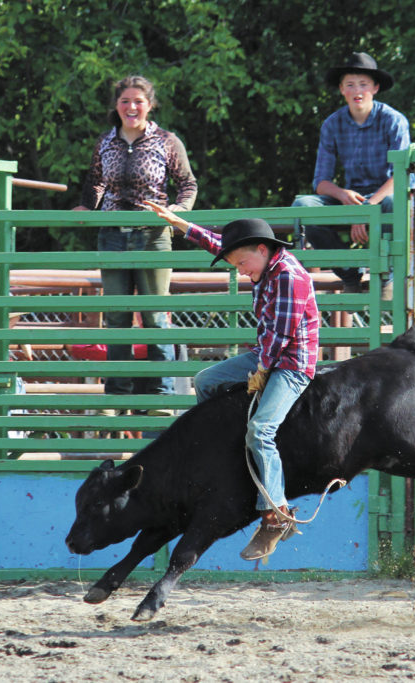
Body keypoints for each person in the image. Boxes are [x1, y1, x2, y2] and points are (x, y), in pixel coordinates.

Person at [143, 200, 319, 561]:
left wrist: (261, 371)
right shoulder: (262, 265)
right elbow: (217, 242)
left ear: (262, 249)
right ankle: (221, 454)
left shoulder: (289, 277)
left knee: (261, 430)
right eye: (235, 265)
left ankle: (276, 514)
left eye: (241, 264)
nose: (239, 271)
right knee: (206, 381)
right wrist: (180, 223)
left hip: (292, 363)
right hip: (267, 354)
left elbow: (282, 335)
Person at [74, 75, 197, 410]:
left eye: (138, 101)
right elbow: (95, 182)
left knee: (155, 315)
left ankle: (162, 394)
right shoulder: (105, 142)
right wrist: (87, 206)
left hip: (152, 234)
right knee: (116, 317)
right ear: (117, 105)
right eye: (125, 101)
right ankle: (117, 394)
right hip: (112, 233)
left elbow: (187, 185)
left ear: (150, 105)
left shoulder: (167, 141)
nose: (131, 107)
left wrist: (176, 212)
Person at [292, 52, 411, 296]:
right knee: (303, 204)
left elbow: (402, 175)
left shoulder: (393, 120)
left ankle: (386, 275)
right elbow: (320, 182)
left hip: (385, 198)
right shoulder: (332, 124)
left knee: (391, 202)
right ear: (341, 90)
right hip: (352, 199)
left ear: (375, 88)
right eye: (350, 85)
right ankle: (350, 272)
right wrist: (342, 194)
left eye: (363, 84)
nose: (357, 90)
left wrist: (366, 209)